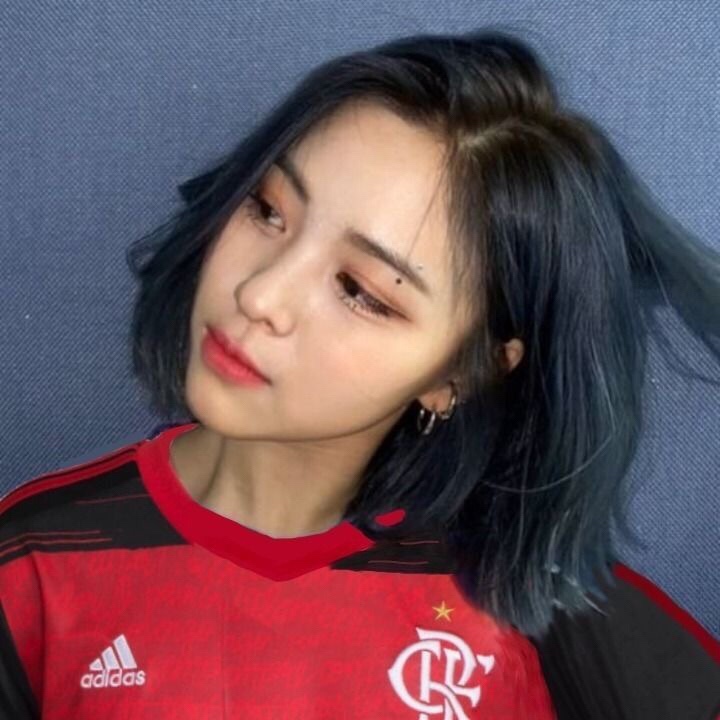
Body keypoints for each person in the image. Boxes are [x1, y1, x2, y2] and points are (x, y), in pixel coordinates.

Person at [1, 27, 719, 719]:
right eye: (267, 210)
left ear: (463, 370)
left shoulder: (523, 604)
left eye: (361, 291)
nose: (260, 294)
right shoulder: (32, 565)